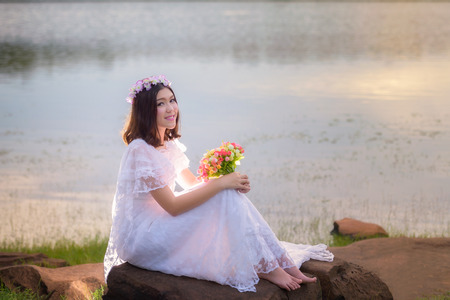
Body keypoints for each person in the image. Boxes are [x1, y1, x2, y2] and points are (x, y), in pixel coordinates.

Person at [103, 75, 334, 292]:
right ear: (145, 110)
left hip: (161, 224)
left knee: (226, 193)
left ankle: (281, 265)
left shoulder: (168, 144)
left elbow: (192, 185)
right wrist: (221, 184)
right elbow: (172, 206)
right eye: (160, 103)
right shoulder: (140, 151)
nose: (171, 108)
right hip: (143, 238)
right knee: (221, 191)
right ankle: (269, 268)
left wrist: (229, 183)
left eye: (172, 100)